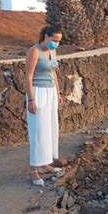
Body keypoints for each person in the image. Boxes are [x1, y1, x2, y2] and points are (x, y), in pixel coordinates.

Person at [25, 26, 64, 186]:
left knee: (49, 129)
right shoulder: (34, 51)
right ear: (46, 37)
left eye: (58, 41)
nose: (56, 43)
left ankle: (45, 164)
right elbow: (28, 76)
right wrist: (31, 100)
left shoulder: (52, 51)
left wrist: (59, 92)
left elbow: (53, 73)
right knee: (38, 131)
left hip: (51, 92)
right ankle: (34, 170)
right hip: (38, 92)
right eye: (54, 40)